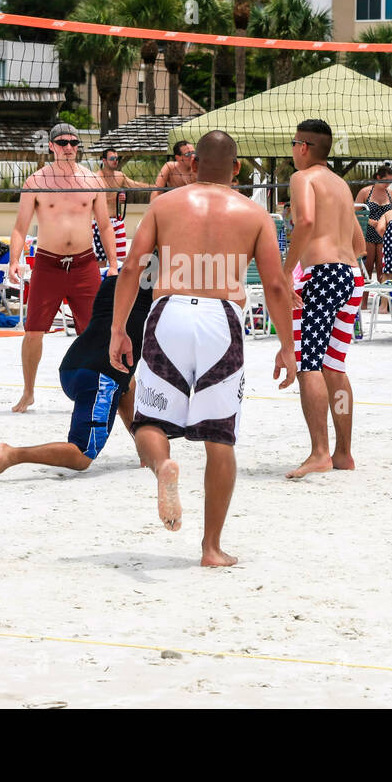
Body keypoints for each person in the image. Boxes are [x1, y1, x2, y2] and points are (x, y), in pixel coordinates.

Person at [109, 129, 295, 567]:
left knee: (151, 420)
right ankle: (211, 548)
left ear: (191, 166)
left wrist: (119, 329)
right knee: (219, 438)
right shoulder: (254, 213)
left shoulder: (164, 204)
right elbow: (274, 285)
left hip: (168, 312)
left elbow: (132, 268)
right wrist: (287, 346)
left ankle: (163, 468)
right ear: (236, 168)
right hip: (221, 319)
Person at [0, 275, 154, 483]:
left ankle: (144, 449)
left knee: (126, 382)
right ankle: (12, 454)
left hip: (71, 366)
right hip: (99, 377)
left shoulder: (112, 282)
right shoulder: (160, 296)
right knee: (82, 455)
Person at [9, 122, 117, 413]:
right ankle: (28, 392)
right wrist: (14, 260)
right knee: (33, 331)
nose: (69, 147)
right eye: (63, 142)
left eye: (73, 142)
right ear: (52, 146)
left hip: (85, 265)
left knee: (96, 332)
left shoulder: (93, 181)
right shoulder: (36, 182)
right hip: (47, 264)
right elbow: (20, 227)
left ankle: (101, 388)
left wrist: (115, 265)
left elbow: (105, 226)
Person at [282, 119, 366, 479]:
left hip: (323, 275)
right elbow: (360, 245)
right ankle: (343, 453)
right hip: (351, 278)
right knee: (334, 366)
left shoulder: (303, 179)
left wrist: (285, 273)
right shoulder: (341, 185)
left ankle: (319, 452)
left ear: (303, 147)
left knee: (309, 365)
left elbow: (305, 222)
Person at [92, 148, 155, 268]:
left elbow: (136, 185)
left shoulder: (120, 176)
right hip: (100, 223)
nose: (115, 161)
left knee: (121, 260)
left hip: (117, 221)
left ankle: (117, 285)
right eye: (112, 158)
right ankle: (102, 286)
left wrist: (157, 187)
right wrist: (114, 199)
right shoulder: (96, 177)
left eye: (117, 158)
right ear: (104, 160)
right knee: (101, 262)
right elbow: (91, 200)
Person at [355, 164, 392, 275]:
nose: (388, 183)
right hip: (367, 233)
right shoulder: (365, 192)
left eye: (390, 181)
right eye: (386, 180)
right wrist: (369, 221)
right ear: (378, 177)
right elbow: (354, 212)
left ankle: (381, 292)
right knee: (367, 268)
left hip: (383, 234)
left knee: (381, 269)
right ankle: (364, 293)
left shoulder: (391, 194)